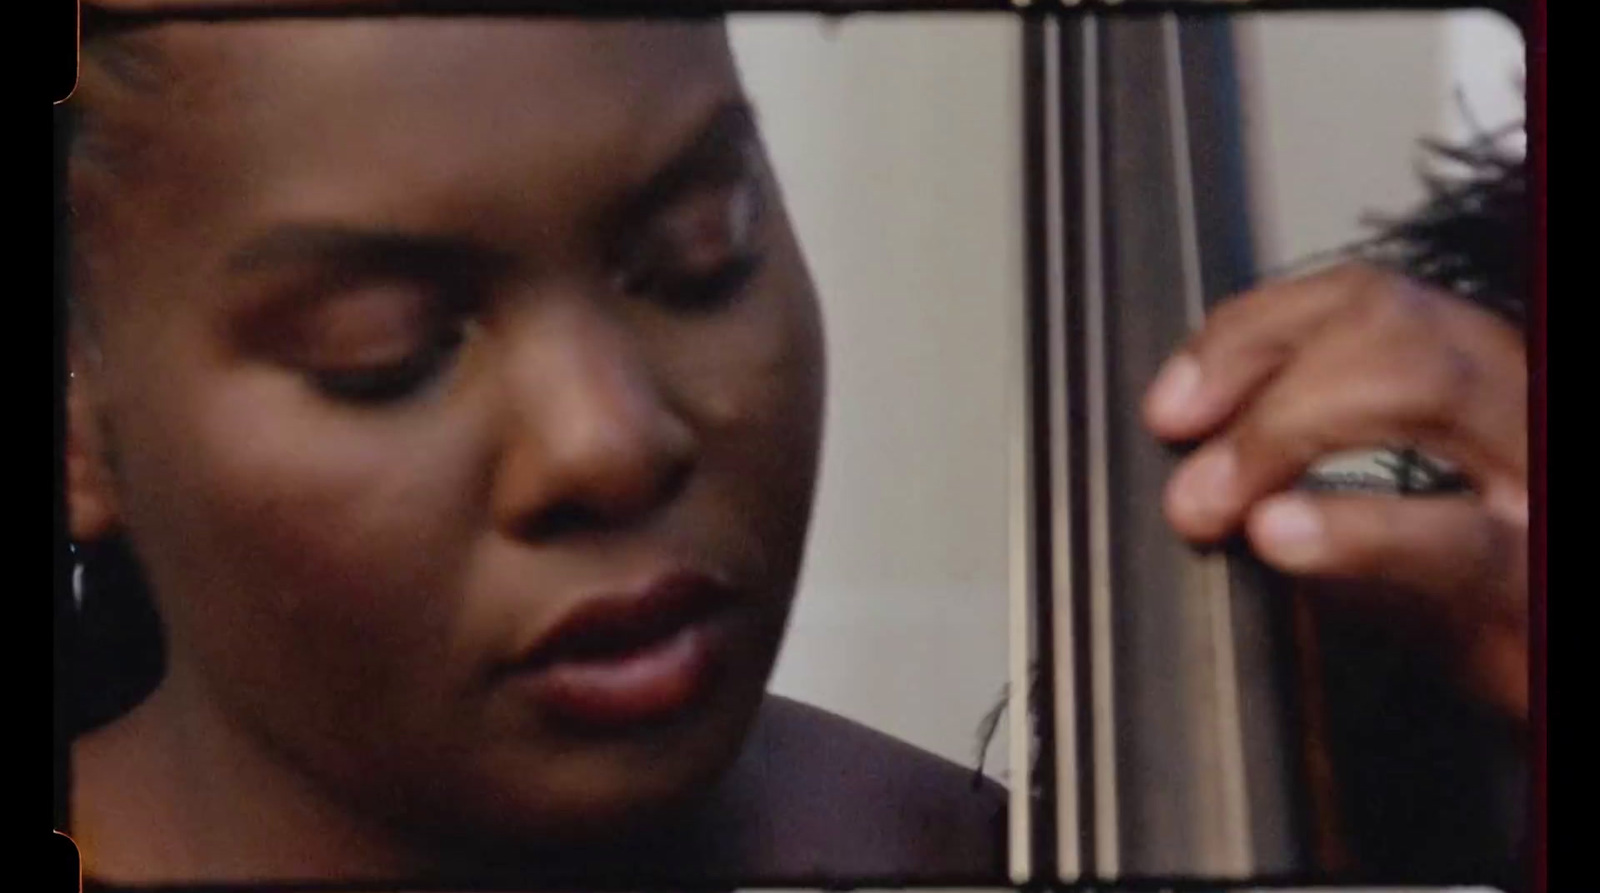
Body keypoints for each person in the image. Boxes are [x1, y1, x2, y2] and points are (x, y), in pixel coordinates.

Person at [59, 4, 1530, 887]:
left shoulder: (983, 858)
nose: (612, 440)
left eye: (704, 255)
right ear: (80, 418)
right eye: (383, 350)